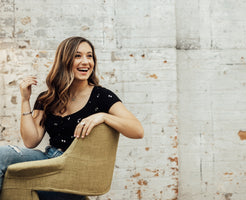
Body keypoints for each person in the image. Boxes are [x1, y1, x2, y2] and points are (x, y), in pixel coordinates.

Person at [0, 36, 144, 200]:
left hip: (76, 172)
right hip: (50, 161)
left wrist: (103, 116)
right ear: (64, 61)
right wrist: (25, 100)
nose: (86, 61)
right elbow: (30, 141)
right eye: (78, 56)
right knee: (4, 160)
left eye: (89, 56)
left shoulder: (101, 96)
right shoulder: (47, 98)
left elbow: (137, 130)